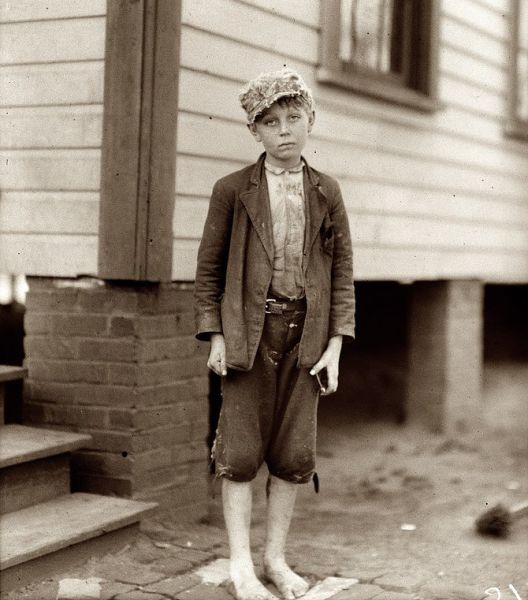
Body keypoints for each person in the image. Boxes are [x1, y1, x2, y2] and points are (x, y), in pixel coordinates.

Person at [194, 68, 355, 600]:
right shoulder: (232, 191)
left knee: (292, 456)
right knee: (239, 454)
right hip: (247, 335)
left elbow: (341, 273)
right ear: (254, 132)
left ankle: (275, 559)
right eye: (270, 122)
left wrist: (334, 345)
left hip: (306, 338)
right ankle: (240, 566)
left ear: (311, 120)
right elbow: (209, 273)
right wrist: (216, 337)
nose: (284, 130)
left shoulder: (327, 191)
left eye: (293, 118)